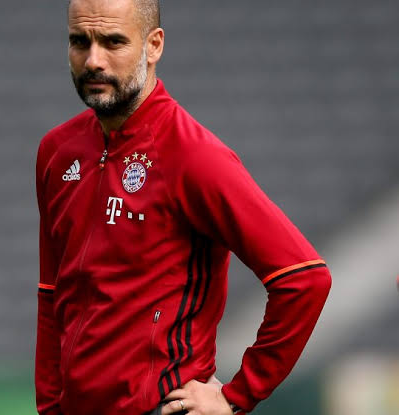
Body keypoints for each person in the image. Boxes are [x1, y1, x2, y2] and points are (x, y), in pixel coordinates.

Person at [33, 0, 332, 414]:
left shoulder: (193, 156)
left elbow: (304, 279)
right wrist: (50, 407)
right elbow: (52, 295)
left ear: (153, 45)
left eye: (113, 42)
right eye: (80, 42)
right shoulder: (57, 151)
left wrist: (236, 395)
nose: (93, 60)